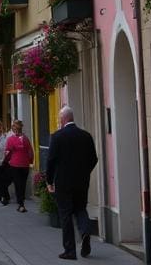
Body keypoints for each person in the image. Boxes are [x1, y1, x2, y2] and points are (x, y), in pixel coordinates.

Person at [46, 106, 98, 260]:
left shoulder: (57, 137)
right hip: (82, 182)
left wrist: (49, 180)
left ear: (63, 119)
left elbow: (51, 161)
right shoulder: (86, 136)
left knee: (65, 214)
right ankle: (85, 231)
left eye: (59, 119)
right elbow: (93, 159)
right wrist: (84, 172)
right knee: (80, 208)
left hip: (63, 183)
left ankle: (70, 250)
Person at [4, 119, 34, 213]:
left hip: (15, 164)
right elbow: (30, 152)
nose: (15, 128)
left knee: (18, 184)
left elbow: (7, 152)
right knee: (22, 184)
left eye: (15, 126)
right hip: (23, 165)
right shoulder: (25, 139)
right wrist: (30, 161)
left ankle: (21, 204)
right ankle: (21, 204)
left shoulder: (11, 139)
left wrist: (7, 160)